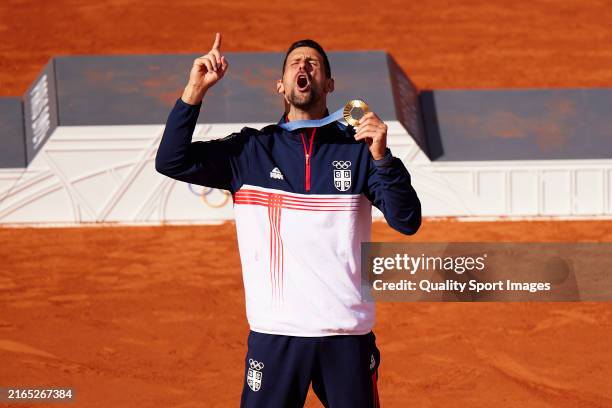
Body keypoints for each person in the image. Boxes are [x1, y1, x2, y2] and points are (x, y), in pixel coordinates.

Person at [155, 32, 421, 408]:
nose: (304, 66)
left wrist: (382, 156)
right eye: (295, 63)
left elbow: (407, 220)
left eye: (313, 63)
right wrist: (194, 90)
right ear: (280, 85)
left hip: (345, 333)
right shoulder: (249, 151)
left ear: (328, 84)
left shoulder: (357, 149)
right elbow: (171, 160)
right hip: (276, 333)